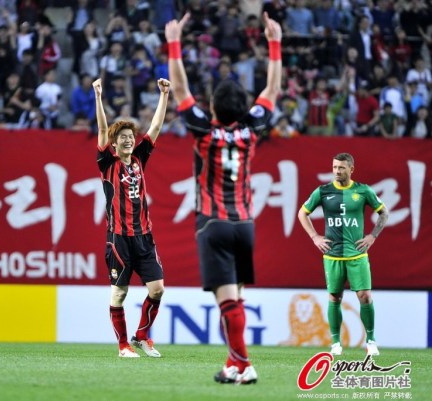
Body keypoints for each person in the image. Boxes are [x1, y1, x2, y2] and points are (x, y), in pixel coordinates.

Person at [165, 12, 282, 384]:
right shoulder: (252, 128)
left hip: (213, 224)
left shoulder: (204, 129)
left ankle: (245, 365)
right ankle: (233, 365)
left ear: (213, 107)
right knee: (235, 299)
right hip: (244, 224)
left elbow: (179, 88)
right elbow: (272, 91)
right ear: (243, 107)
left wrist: (174, 43)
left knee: (228, 301)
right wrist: (275, 43)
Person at [93, 76, 170, 358]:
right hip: (118, 239)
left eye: (130, 136)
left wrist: (164, 95)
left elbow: (156, 126)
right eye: (122, 137)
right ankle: (123, 345)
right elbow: (102, 128)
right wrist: (98, 97)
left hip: (144, 237)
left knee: (158, 289)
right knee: (119, 293)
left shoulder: (139, 159)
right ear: (114, 143)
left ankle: (142, 336)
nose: (127, 140)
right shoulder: (107, 163)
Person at [297, 153, 389, 357]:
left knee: (365, 296)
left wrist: (372, 236)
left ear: (351, 169)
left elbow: (384, 212)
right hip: (333, 254)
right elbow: (302, 213)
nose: (337, 171)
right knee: (334, 297)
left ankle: (371, 341)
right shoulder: (323, 191)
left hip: (357, 254)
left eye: (341, 168)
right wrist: (315, 237)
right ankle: (335, 343)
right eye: (334, 167)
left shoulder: (363, 190)